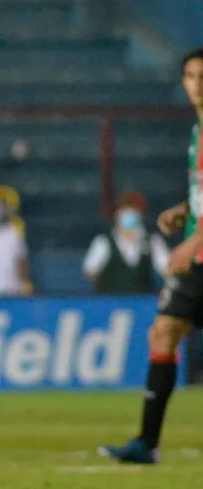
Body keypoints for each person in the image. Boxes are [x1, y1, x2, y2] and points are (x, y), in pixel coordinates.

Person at [100, 47, 203, 464]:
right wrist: (185, 209)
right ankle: (147, 443)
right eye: (192, 76)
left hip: (199, 251)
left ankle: (147, 442)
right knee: (163, 333)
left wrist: (193, 242)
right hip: (199, 256)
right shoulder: (198, 131)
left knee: (165, 332)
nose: (198, 84)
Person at [82, 189, 169, 294]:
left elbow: (167, 269)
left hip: (143, 300)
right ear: (117, 214)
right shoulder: (103, 242)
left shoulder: (153, 241)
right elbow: (90, 271)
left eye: (134, 211)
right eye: (125, 211)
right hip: (109, 300)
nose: (129, 215)